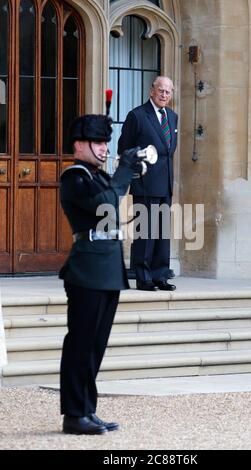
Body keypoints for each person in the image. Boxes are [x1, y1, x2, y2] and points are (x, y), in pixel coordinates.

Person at [59, 113, 143, 435]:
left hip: (107, 268)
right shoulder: (74, 177)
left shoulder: (98, 175)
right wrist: (123, 171)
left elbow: (116, 190)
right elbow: (106, 205)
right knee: (80, 343)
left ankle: (87, 409)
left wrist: (133, 167)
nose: (104, 148)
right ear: (79, 145)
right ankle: (73, 413)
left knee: (96, 346)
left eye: (106, 142)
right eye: (98, 142)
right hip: (88, 270)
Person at [118, 76, 178, 291]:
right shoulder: (137, 115)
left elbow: (168, 152)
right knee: (146, 233)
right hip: (145, 183)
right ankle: (144, 278)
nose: (164, 95)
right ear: (151, 91)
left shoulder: (172, 117)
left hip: (165, 183)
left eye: (168, 92)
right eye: (161, 91)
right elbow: (124, 148)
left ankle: (160, 275)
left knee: (162, 233)